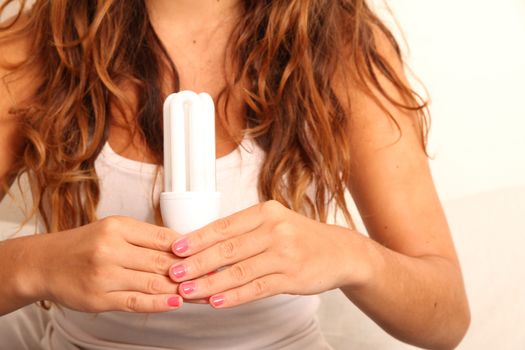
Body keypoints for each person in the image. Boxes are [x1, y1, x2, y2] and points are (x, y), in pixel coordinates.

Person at [0, 0, 470, 349]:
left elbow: (446, 317)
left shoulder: (340, 45)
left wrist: (349, 255)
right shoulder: (33, 48)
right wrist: (38, 265)